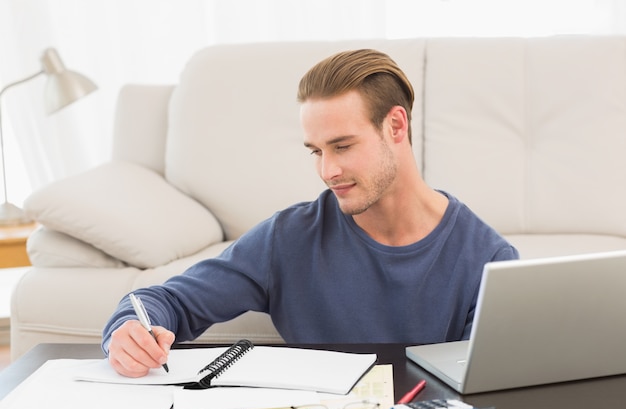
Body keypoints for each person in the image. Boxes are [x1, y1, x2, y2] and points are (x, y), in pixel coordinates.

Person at [103, 49, 519, 377]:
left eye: (342, 146)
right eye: (316, 151)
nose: (327, 171)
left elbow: (481, 390)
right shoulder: (289, 238)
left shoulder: (488, 260)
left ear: (396, 126)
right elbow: (166, 301)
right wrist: (128, 332)